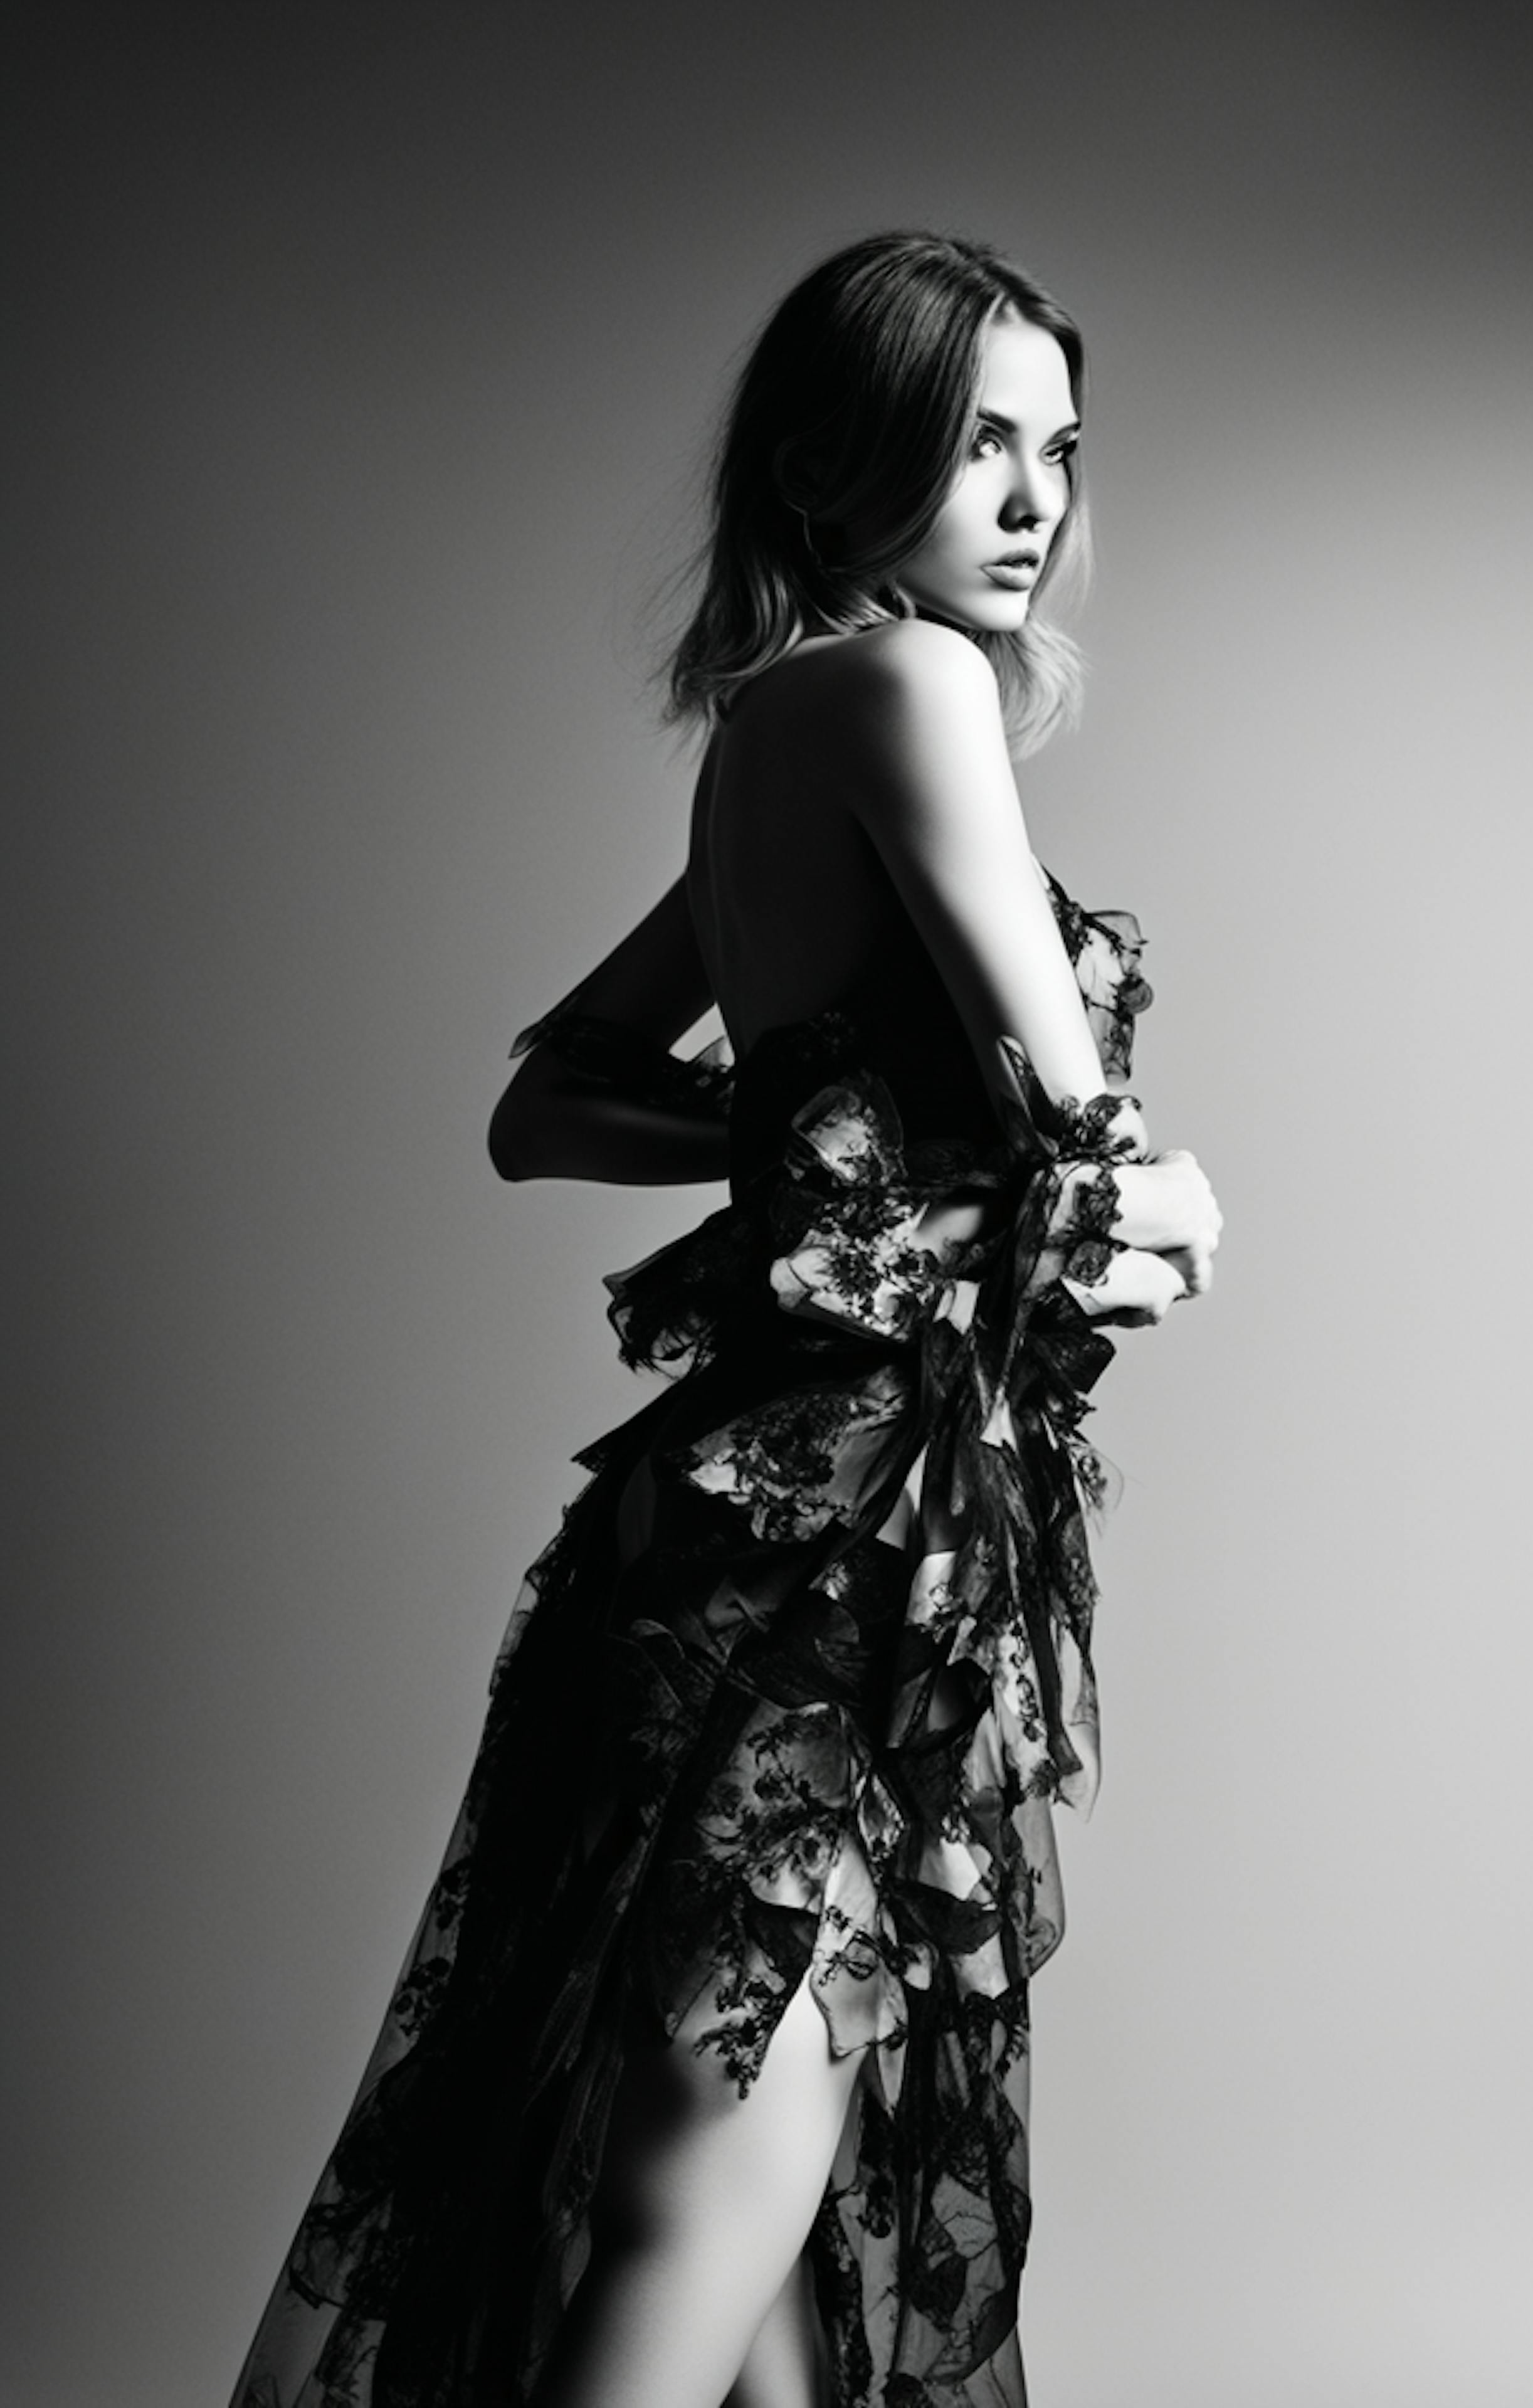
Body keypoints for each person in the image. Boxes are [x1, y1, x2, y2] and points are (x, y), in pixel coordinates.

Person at [231, 230, 1220, 2408]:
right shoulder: (906, 691)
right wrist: (1165, 1201)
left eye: (1061, 447)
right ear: (827, 457)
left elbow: (549, 1104)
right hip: (823, 1581)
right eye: (979, 442)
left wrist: (823, 1141)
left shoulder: (782, 731)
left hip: (756, 1558)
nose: (1038, 500)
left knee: (759, 2268)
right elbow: (1076, 1134)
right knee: (714, 2229)